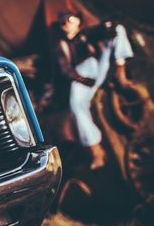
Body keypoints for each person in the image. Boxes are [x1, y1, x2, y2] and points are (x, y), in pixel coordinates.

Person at [55, 11, 134, 169]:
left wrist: (117, 66)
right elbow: (66, 70)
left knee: (117, 30)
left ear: (77, 21)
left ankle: (121, 73)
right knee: (77, 107)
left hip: (99, 68)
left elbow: (110, 28)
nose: (66, 23)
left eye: (70, 19)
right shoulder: (61, 45)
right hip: (81, 79)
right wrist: (83, 79)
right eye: (63, 22)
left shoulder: (87, 34)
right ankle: (96, 150)